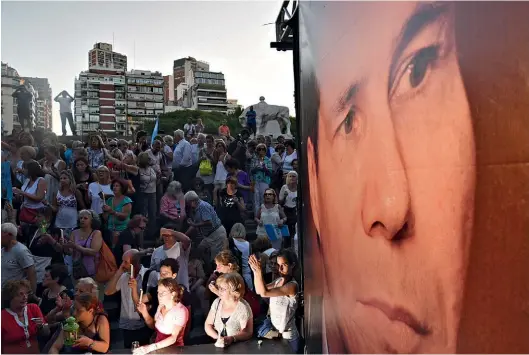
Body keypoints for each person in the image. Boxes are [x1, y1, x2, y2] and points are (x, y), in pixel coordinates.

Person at [104, 249, 158, 348]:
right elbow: (108, 292)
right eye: (122, 261)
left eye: (125, 262)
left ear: (135, 263)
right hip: (127, 324)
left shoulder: (151, 275)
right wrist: (119, 271)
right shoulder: (124, 276)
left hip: (144, 324)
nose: (123, 265)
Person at [249, 249, 299, 352]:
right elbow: (259, 290)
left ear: (292, 265)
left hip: (288, 337)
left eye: (284, 265)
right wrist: (255, 271)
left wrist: (259, 272)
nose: (280, 268)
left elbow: (264, 293)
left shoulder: (292, 286)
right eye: (278, 264)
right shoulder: (278, 281)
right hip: (277, 335)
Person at [135, 278, 189, 354]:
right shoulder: (160, 306)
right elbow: (154, 326)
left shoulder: (181, 311)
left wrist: (150, 347)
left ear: (173, 294)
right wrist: (144, 312)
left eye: (162, 293)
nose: (159, 296)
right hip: (159, 349)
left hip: (173, 350)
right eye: (158, 292)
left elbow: (173, 338)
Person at [204, 273, 253, 347]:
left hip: (236, 348)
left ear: (233, 291)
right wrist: (218, 338)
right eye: (218, 287)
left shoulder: (243, 307)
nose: (219, 291)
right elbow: (208, 324)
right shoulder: (217, 302)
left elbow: (247, 332)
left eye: (222, 289)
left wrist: (232, 339)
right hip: (217, 346)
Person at [1, 280, 50, 354]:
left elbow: (47, 333)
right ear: (10, 297)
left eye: (26, 293)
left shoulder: (33, 308)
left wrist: (41, 327)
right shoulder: (2, 317)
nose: (25, 297)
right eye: (20, 294)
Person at [184, 191, 228, 266]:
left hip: (216, 234)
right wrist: (183, 236)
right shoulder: (196, 209)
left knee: (216, 259)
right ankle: (206, 269)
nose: (187, 205)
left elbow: (208, 222)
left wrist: (195, 224)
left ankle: (213, 272)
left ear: (192, 201)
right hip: (208, 236)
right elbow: (193, 225)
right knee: (200, 250)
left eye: (187, 203)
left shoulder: (203, 206)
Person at [1, 223, 37, 294]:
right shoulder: (2, 250)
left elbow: (31, 273)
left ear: (9, 235)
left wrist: (31, 294)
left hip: (15, 295)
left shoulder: (21, 251)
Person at [103, 179, 133, 247]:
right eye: (113, 186)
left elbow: (124, 217)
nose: (114, 187)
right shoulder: (109, 200)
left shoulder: (127, 200)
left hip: (123, 231)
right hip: (110, 230)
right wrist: (105, 211)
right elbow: (105, 218)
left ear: (122, 188)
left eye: (117, 186)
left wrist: (112, 212)